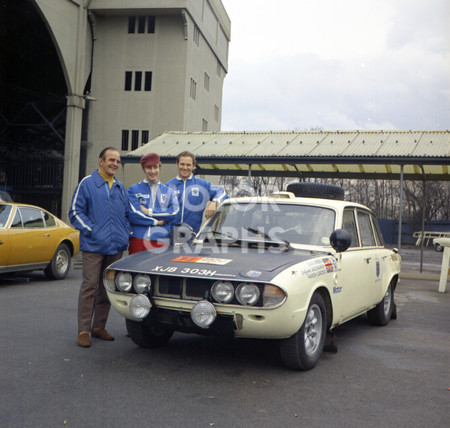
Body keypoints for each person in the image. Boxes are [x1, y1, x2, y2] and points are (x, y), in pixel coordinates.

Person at [69, 147, 131, 348]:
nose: (114, 163)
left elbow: (127, 214)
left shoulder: (120, 187)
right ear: (101, 161)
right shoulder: (87, 183)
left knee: (106, 289)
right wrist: (92, 230)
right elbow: (75, 212)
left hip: (115, 247)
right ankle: (83, 330)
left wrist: (125, 232)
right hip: (94, 246)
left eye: (117, 161)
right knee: (89, 287)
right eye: (111, 160)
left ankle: (98, 327)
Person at [127, 152, 179, 254]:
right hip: (138, 238)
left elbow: (174, 213)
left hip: (160, 239)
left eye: (155, 167)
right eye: (148, 168)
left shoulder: (169, 191)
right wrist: (156, 222)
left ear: (160, 168)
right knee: (135, 269)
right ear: (143, 169)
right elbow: (134, 215)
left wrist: (149, 212)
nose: (152, 171)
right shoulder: (133, 189)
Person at [166, 150, 227, 234]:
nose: (185, 167)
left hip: (192, 237)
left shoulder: (202, 185)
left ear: (194, 166)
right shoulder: (168, 186)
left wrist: (214, 202)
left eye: (188, 165)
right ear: (177, 164)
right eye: (182, 164)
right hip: (170, 237)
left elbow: (221, 191)